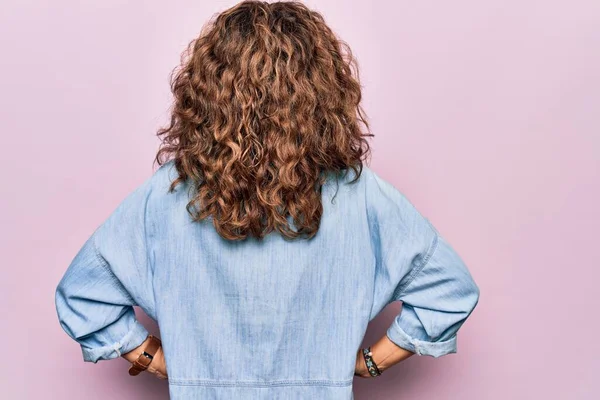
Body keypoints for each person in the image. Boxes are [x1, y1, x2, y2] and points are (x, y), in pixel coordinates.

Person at [54, 1, 480, 399]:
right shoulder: (360, 194)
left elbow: (83, 295)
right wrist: (367, 363)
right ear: (323, 92)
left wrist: (158, 359)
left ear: (206, 93)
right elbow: (449, 290)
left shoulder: (166, 194)